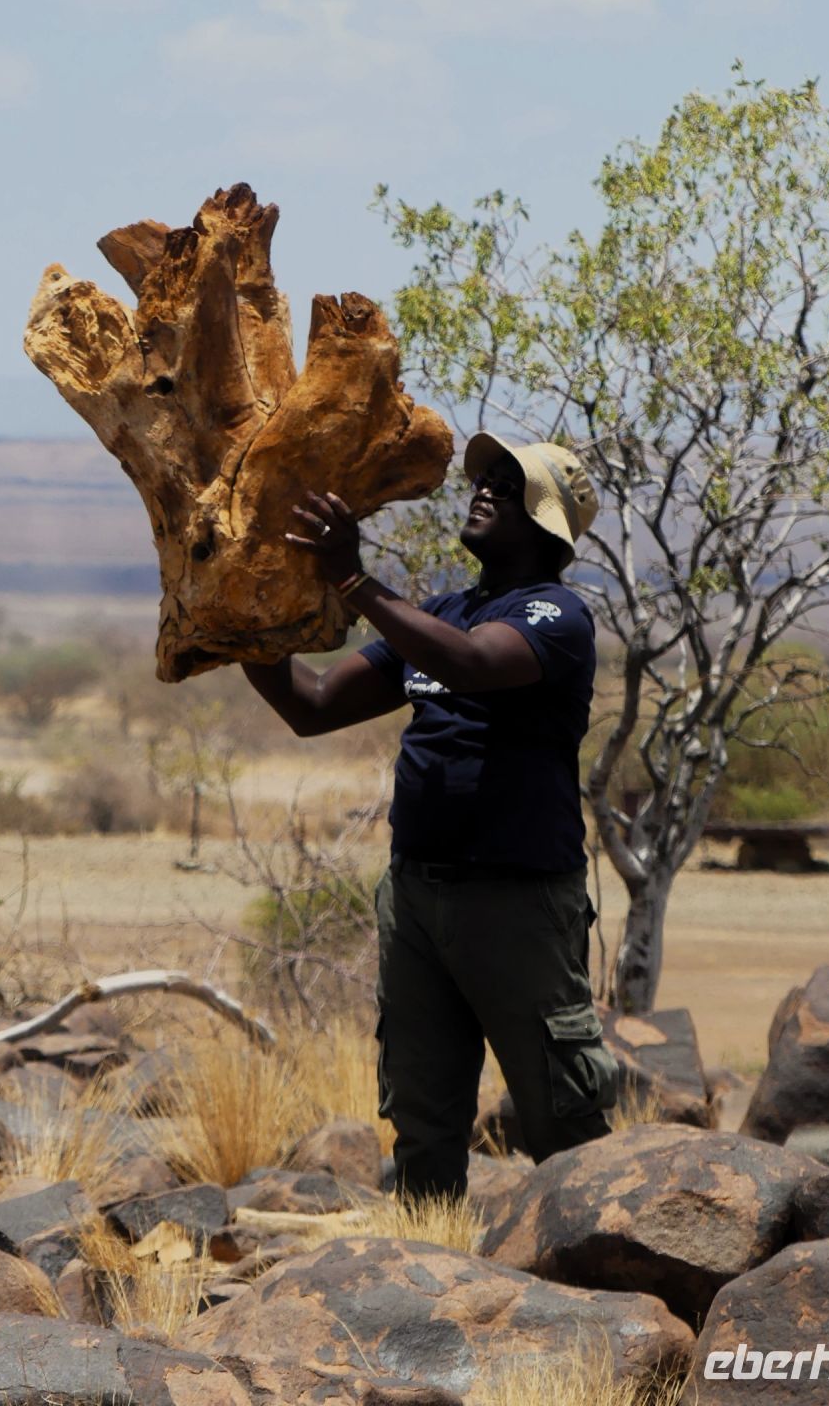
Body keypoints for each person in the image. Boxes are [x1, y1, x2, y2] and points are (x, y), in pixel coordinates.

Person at [241, 434, 618, 1200]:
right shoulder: (443, 613)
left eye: (508, 486)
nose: (483, 490)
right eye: (484, 479)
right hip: (415, 899)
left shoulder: (555, 615)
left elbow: (474, 664)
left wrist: (352, 579)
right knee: (422, 1115)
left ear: (546, 522)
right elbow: (312, 706)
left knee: (560, 1116)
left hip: (516, 901)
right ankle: (431, 1279)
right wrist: (244, 614)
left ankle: (601, 1289)